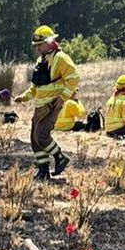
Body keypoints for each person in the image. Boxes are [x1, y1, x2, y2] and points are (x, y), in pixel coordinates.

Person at [13, 25, 78, 180]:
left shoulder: (61, 58)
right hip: (40, 106)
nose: (37, 49)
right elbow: (35, 87)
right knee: (34, 139)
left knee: (41, 136)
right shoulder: (40, 61)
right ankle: (43, 172)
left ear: (49, 42)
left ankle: (60, 157)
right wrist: (23, 97)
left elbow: (74, 77)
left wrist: (62, 97)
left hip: (51, 105)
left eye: (39, 45)